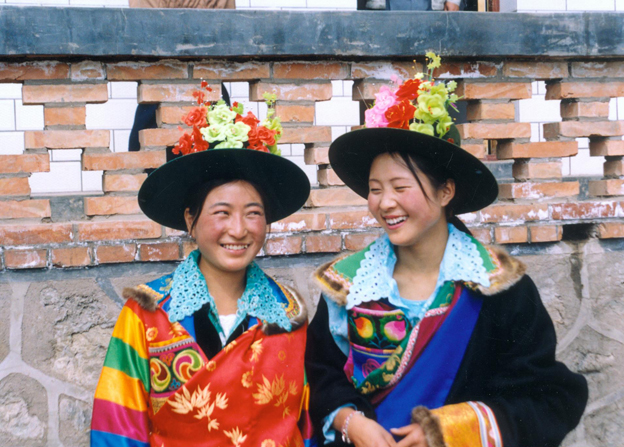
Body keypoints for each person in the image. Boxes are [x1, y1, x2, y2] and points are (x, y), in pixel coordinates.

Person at [305, 59, 588, 447]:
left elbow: (548, 398)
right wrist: (350, 421)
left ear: (445, 192)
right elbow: (320, 373)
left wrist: (453, 429)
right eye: (375, 189)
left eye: (400, 187)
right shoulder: (348, 284)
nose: (384, 203)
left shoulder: (499, 287)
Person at [90, 96, 315, 446]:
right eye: (222, 213)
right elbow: (117, 428)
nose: (238, 230)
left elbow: (305, 427)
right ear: (190, 220)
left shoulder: (287, 314)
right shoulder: (146, 314)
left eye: (253, 213)